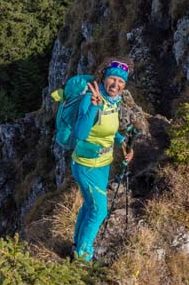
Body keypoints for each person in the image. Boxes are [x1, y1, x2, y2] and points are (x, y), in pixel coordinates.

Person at [70, 58, 134, 262]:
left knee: (90, 205)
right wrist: (94, 107)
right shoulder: (92, 98)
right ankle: (83, 258)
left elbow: (107, 129)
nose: (116, 85)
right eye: (112, 79)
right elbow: (80, 134)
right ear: (104, 79)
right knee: (99, 210)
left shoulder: (115, 101)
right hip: (86, 165)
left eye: (121, 82)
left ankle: (76, 246)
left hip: (102, 164)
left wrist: (121, 140)